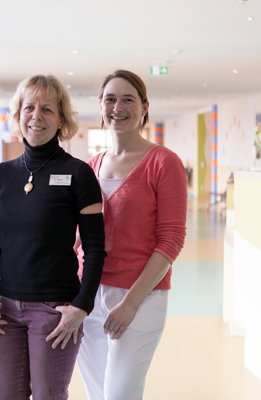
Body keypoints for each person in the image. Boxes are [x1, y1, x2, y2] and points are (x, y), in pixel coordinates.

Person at [0, 74, 107, 400]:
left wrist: (82, 306)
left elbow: (95, 248)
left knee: (49, 395)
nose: (37, 116)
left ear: (61, 119)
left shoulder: (80, 174)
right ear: (18, 115)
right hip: (7, 308)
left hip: (55, 309)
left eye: (48, 109)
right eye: (29, 107)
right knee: (7, 394)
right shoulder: (0, 175)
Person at [76, 70, 187, 400]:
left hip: (139, 297)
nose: (118, 107)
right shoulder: (91, 166)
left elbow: (171, 240)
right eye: (110, 99)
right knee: (98, 394)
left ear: (144, 107)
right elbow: (77, 236)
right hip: (87, 294)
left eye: (128, 99)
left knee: (119, 394)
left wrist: (129, 304)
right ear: (100, 106)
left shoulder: (163, 163)